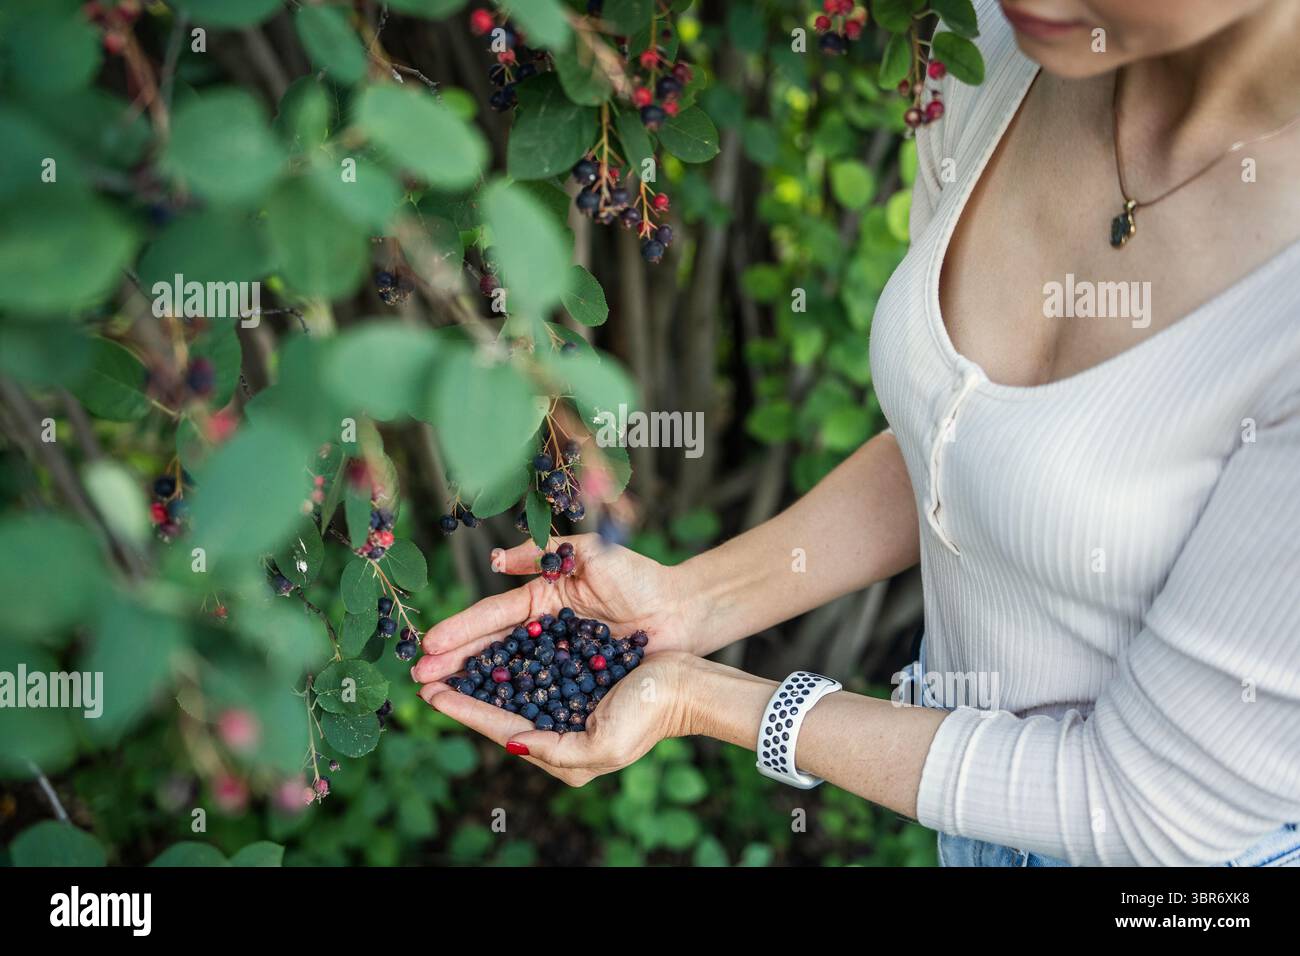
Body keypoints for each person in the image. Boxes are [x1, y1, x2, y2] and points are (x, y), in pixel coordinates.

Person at [413, 0, 1300, 866]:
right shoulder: (993, 51)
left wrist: (705, 699)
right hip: (976, 811)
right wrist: (688, 607)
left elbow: (1151, 810)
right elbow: (968, 454)